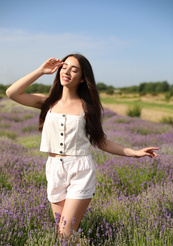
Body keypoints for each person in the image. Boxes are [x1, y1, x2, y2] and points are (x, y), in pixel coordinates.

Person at [6, 53, 159, 236]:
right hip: (54, 169)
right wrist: (41, 71)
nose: (67, 71)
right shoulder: (47, 102)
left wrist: (134, 152)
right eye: (65, 67)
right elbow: (12, 93)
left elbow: (101, 141)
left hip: (80, 170)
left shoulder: (88, 108)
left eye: (74, 69)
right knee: (62, 234)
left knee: (66, 232)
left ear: (82, 78)